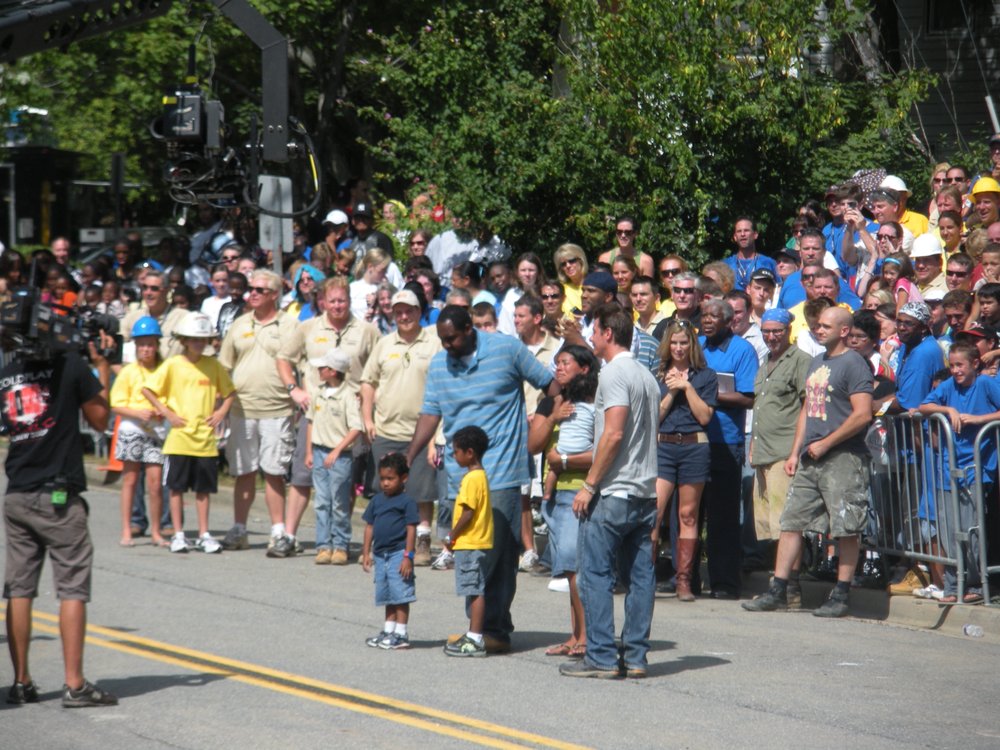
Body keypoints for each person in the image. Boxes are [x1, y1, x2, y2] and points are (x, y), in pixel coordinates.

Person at [405, 306, 556, 653]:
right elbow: (431, 412)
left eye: (452, 338)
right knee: (471, 553)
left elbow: (551, 385)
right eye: (442, 339)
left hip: (501, 471)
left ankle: (494, 630)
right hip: (460, 474)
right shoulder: (441, 364)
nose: (447, 346)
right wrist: (409, 456)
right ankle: (480, 628)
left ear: (470, 329)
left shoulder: (506, 349)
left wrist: (539, 429)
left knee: (496, 554)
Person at [1, 333, 119, 707]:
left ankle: (21, 681)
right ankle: (74, 684)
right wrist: (101, 364)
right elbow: (100, 420)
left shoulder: (9, 372)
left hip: (17, 490)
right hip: (56, 495)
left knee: (19, 588)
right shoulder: (70, 365)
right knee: (72, 587)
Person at [743, 307, 873, 617]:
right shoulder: (817, 362)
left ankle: (841, 594)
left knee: (845, 526)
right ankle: (779, 589)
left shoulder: (854, 364)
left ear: (844, 331)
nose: (818, 329)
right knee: (790, 522)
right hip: (809, 458)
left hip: (842, 456)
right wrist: (794, 452)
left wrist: (827, 442)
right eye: (817, 324)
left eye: (826, 325)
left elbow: (863, 414)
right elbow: (806, 411)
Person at [559, 304, 659, 679]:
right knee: (640, 578)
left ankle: (600, 656)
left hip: (615, 490)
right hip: (644, 491)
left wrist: (589, 485)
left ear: (607, 333)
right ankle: (635, 657)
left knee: (595, 575)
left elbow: (615, 433)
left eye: (595, 330)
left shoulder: (615, 374)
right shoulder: (646, 376)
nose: (591, 337)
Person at [217, 270, 299, 557]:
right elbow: (224, 366)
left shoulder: (289, 325)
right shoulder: (239, 325)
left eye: (259, 290)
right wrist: (219, 405)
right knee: (244, 470)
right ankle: (239, 528)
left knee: (274, 471)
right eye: (250, 288)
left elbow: (300, 364)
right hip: (241, 410)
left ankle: (278, 530)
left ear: (274, 295)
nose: (251, 293)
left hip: (277, 409)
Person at [141, 311, 236, 554]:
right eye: (194, 338)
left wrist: (221, 412)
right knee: (176, 488)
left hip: (205, 439)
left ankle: (204, 533)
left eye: (202, 339)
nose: (198, 343)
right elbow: (148, 389)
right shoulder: (172, 364)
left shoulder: (213, 365)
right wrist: (167, 412)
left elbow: (230, 392)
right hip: (179, 438)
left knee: (203, 489)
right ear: (183, 339)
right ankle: (179, 534)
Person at [360, 290, 443, 566]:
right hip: (386, 429)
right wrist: (368, 419)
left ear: (420, 312)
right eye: (398, 312)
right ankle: (389, 539)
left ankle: (422, 539)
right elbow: (368, 382)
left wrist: (435, 435)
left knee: (422, 491)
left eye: (409, 311)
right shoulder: (383, 344)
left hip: (422, 431)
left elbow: (444, 386)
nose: (404, 316)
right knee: (384, 488)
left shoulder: (434, 344)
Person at [529, 345, 599, 656]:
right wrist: (553, 416)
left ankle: (585, 638)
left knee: (576, 570)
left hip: (579, 491)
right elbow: (533, 445)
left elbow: (602, 453)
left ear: (584, 368)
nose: (558, 368)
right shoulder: (551, 402)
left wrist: (566, 461)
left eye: (565, 362)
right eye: (556, 363)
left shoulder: (596, 402)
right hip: (555, 495)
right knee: (569, 570)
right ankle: (574, 636)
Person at [918, 343, 1000, 604]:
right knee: (949, 528)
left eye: (960, 365)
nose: (955, 371)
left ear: (975, 363)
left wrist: (978, 420)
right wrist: (948, 410)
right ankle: (954, 585)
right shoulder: (948, 386)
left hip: (976, 467)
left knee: (971, 528)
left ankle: (975, 584)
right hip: (948, 466)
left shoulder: (985, 385)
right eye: (951, 366)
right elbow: (925, 406)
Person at [698, 299, 759, 598]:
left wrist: (709, 394)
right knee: (690, 513)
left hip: (726, 442)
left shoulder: (742, 351)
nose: (707, 320)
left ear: (729, 321)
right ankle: (688, 578)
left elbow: (748, 398)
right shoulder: (696, 345)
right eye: (705, 315)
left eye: (714, 316)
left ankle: (724, 582)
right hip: (693, 439)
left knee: (722, 516)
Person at [653, 321, 717, 602]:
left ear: (692, 345)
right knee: (654, 513)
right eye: (675, 343)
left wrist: (687, 386)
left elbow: (705, 417)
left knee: (688, 515)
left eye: (684, 343)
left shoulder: (706, 376)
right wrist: (672, 390)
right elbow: (653, 418)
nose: (679, 348)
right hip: (663, 447)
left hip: (694, 447)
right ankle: (645, 576)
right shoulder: (657, 375)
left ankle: (684, 581)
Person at [750, 309, 812, 587]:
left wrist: (795, 452)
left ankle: (789, 586)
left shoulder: (800, 361)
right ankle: (782, 582)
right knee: (771, 526)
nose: (771, 337)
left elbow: (807, 407)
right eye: (766, 331)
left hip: (784, 451)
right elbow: (761, 408)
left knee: (787, 523)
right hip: (763, 451)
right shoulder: (765, 361)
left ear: (789, 330)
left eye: (777, 331)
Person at [110, 316, 168, 548]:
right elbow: (115, 404)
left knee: (155, 483)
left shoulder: (164, 369)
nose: (146, 349)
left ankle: (156, 530)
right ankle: (127, 528)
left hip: (156, 430)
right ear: (135, 345)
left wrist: (163, 412)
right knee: (130, 480)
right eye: (142, 344)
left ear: (157, 345)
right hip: (132, 428)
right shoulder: (128, 372)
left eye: (150, 344)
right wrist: (137, 413)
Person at [304, 348, 364, 565]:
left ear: (333, 371)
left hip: (340, 456)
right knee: (321, 501)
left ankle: (340, 545)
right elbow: (311, 421)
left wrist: (337, 450)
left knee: (339, 501)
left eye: (323, 367)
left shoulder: (348, 395)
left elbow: (356, 428)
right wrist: (309, 451)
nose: (319, 370)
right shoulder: (318, 393)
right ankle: (323, 545)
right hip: (319, 451)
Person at [442, 426, 494, 658]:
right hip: (475, 542)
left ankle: (475, 638)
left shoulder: (472, 479)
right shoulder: (480, 476)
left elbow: (467, 513)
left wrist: (451, 535)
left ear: (470, 452)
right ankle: (473, 635)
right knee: (474, 589)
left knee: (474, 590)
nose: (454, 456)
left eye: (456, 452)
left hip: (470, 542)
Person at [361, 453, 419, 649]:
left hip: (398, 553)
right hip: (380, 555)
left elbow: (412, 529)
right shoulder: (377, 500)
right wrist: (366, 552)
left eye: (390, 478)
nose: (385, 483)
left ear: (404, 478)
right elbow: (369, 526)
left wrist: (408, 557)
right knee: (387, 594)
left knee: (400, 594)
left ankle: (401, 634)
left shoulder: (407, 502)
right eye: (382, 478)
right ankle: (388, 630)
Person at [723, 216, 778, 291]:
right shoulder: (725, 265)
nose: (742, 234)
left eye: (746, 230)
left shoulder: (769, 263)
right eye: (739, 231)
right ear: (735, 237)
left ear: (755, 235)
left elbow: (778, 290)